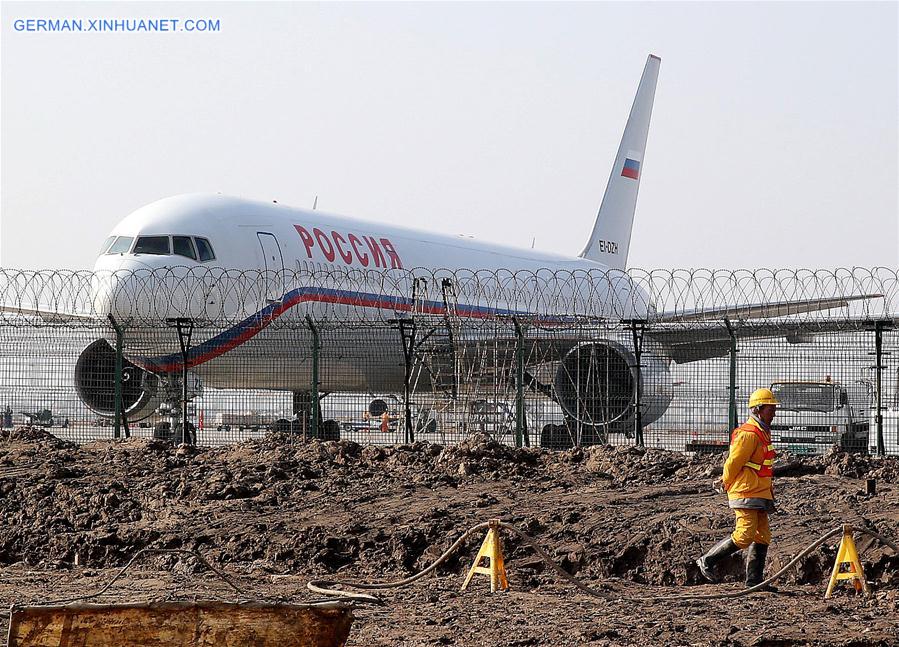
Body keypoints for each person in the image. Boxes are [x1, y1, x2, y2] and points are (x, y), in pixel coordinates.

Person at [696, 387, 779, 589]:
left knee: (762, 536)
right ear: (758, 409)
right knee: (744, 535)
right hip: (746, 491)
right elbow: (732, 464)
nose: (774, 412)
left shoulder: (761, 433)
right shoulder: (748, 435)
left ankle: (754, 581)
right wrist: (725, 482)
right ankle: (707, 560)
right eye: (770, 408)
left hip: (759, 491)